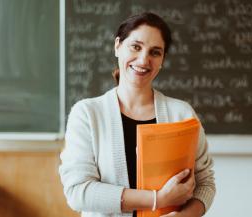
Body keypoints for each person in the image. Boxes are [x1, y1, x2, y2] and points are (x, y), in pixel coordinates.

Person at [59, 12, 215, 217]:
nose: (144, 59)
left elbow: (205, 184)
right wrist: (158, 199)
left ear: (162, 60)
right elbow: (78, 193)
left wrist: (184, 216)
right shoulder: (87, 114)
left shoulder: (182, 114)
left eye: (155, 52)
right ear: (117, 46)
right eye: (136, 46)